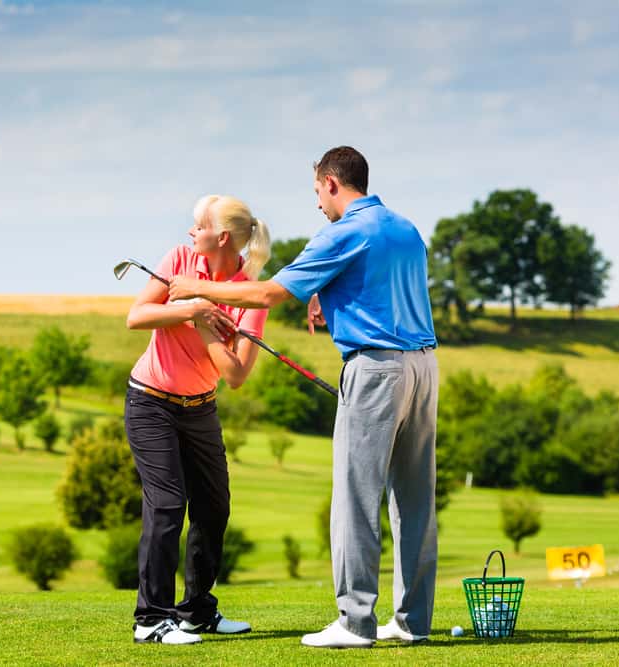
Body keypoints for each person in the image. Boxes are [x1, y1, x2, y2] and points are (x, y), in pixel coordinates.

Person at [168, 146, 439, 649]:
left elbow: (269, 294)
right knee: (414, 500)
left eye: (317, 190)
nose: (317, 203)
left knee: (356, 498)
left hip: (375, 369)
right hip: (424, 368)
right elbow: (378, 286)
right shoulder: (405, 228)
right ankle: (411, 621)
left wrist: (193, 289)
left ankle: (355, 622)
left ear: (333, 183)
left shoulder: (343, 231)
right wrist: (326, 295)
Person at [124, 194, 272, 645]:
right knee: (168, 504)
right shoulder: (180, 259)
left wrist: (205, 315)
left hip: (200, 407)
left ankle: (196, 612)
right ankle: (150, 619)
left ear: (221, 236)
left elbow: (236, 374)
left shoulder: (250, 294)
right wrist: (191, 308)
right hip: (151, 402)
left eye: (198, 225)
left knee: (213, 507)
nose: (191, 232)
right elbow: (137, 316)